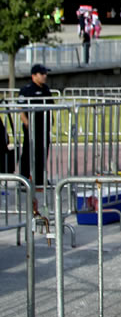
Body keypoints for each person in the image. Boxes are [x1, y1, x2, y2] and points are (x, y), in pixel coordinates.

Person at [19, 64, 53, 213]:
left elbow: (50, 106)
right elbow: (20, 108)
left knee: (42, 151)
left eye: (45, 73)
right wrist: (26, 123)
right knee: (28, 152)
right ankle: (24, 179)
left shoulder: (46, 89)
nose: (45, 76)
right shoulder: (27, 90)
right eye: (42, 73)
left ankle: (40, 179)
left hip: (43, 127)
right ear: (34, 75)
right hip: (31, 127)